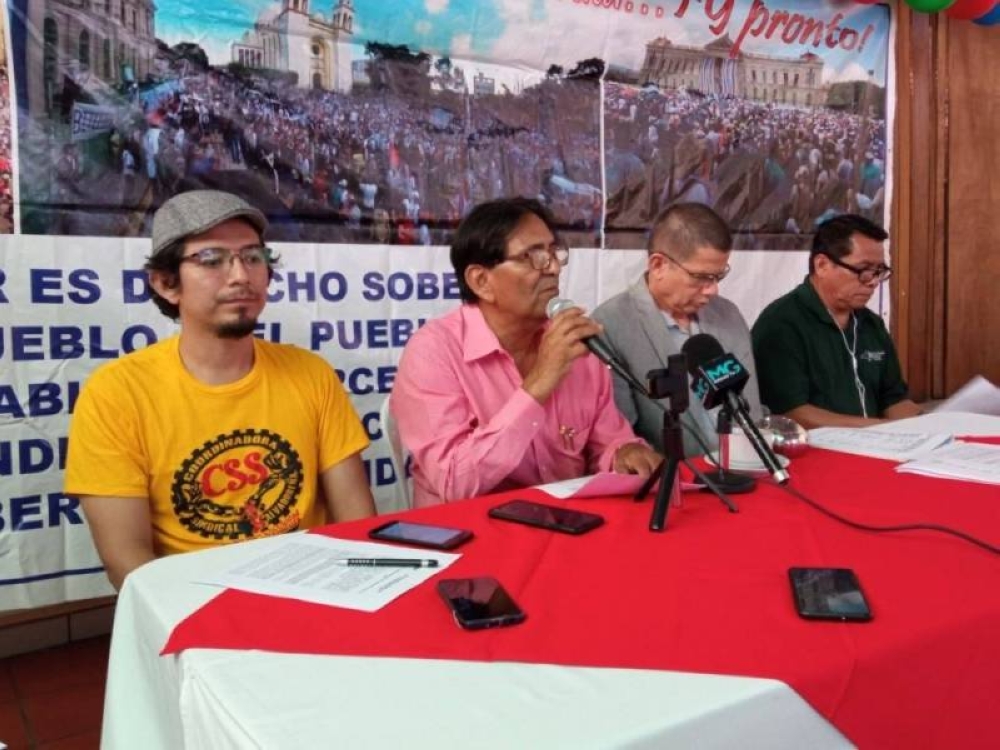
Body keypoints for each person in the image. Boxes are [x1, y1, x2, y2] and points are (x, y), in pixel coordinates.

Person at [64, 190, 376, 590]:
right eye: (211, 260)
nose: (241, 276)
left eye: (252, 257)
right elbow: (127, 562)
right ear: (165, 283)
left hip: (314, 588)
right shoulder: (115, 394)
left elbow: (356, 515)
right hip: (193, 602)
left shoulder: (310, 373)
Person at [391, 197, 660, 507]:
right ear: (481, 281)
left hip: (565, 526)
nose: (554, 268)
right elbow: (456, 482)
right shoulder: (433, 352)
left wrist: (624, 453)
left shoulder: (574, 344)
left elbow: (608, 443)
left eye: (554, 252)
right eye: (533, 257)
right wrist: (539, 382)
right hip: (468, 536)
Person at [593, 203, 762, 456]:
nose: (712, 290)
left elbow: (751, 412)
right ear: (659, 265)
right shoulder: (610, 325)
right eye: (701, 277)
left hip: (744, 468)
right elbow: (621, 438)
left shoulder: (727, 314)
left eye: (718, 276)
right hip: (673, 480)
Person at [751, 214, 922, 428]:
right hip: (813, 453)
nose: (874, 282)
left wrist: (925, 425)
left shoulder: (872, 324)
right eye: (863, 271)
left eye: (879, 271)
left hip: (877, 447)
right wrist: (877, 430)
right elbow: (792, 413)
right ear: (822, 265)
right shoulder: (781, 325)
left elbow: (894, 399)